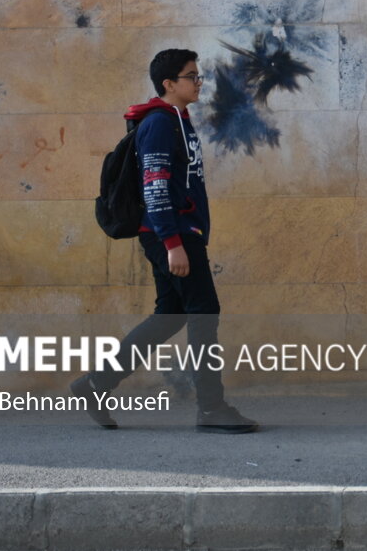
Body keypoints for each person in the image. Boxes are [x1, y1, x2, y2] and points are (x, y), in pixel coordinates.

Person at [71, 49, 258, 434]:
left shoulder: (178, 119)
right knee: (204, 313)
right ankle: (211, 407)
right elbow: (154, 185)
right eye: (191, 76)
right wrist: (173, 242)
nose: (199, 81)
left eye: (198, 75)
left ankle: (95, 384)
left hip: (176, 234)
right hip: (171, 235)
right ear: (169, 83)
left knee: (169, 316)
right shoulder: (159, 123)